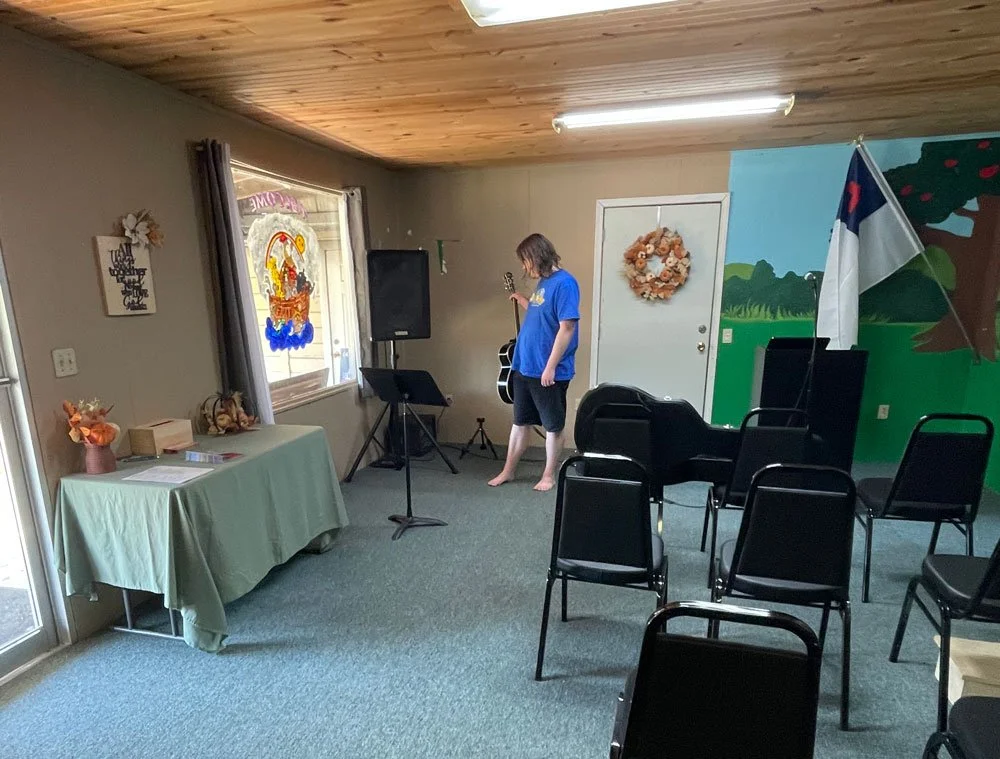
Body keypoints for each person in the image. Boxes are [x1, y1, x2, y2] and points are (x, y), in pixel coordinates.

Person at [488, 233, 580, 492]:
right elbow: (543, 315)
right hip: (524, 365)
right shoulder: (544, 283)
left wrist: (550, 367)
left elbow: (567, 328)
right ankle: (508, 471)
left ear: (537, 256)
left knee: (552, 426)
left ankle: (549, 475)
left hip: (547, 371)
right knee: (520, 423)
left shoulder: (565, 284)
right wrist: (523, 300)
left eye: (525, 261)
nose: (524, 267)